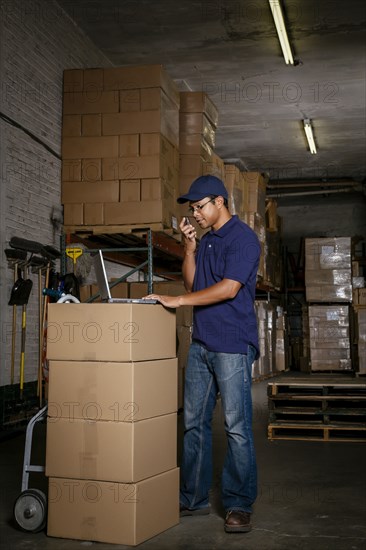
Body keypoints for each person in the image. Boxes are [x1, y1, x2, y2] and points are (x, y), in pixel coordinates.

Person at [143, 174, 261, 533]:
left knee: (236, 427)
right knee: (194, 424)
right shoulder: (207, 242)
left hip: (232, 344)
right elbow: (195, 285)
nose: (195, 214)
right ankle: (192, 497)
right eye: (192, 209)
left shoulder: (244, 239)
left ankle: (239, 504)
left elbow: (227, 289)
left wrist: (176, 301)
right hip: (202, 345)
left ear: (220, 202)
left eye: (199, 207)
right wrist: (190, 248)